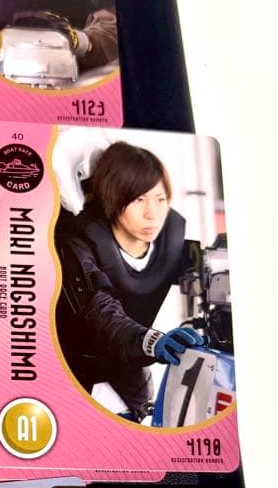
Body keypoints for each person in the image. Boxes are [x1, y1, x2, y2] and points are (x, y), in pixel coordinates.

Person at [55, 140, 204, 421]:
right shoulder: (78, 243)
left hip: (131, 388)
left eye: (160, 199)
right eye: (139, 199)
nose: (152, 214)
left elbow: (203, 276)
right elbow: (100, 312)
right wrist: (152, 341)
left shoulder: (170, 239)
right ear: (112, 196)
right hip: (73, 383)